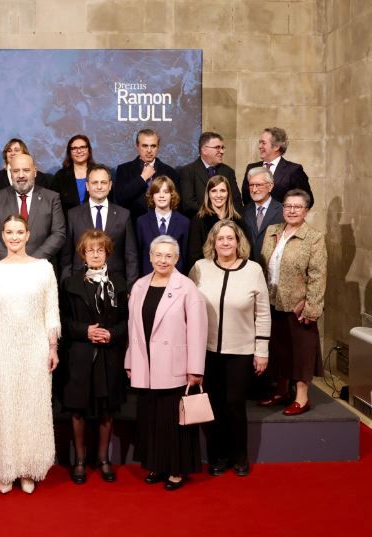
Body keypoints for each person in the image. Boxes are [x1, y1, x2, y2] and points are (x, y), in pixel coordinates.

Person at [0, 215, 60, 494]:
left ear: (28, 235)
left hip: (35, 348)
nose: (14, 237)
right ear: (2, 235)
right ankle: (6, 470)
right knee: (3, 409)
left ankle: (28, 469)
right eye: (9, 232)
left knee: (33, 408)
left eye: (19, 232)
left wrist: (52, 347)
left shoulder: (44, 268)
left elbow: (51, 312)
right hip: (0, 349)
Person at [124, 235, 207, 491]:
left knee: (172, 420)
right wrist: (130, 360)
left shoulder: (187, 287)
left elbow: (198, 330)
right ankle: (156, 465)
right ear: (150, 257)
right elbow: (132, 328)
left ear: (177, 259)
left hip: (175, 365)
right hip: (146, 365)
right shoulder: (138, 286)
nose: (163, 260)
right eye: (158, 255)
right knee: (151, 418)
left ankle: (176, 469)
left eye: (168, 256)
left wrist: (195, 368)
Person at [189, 220, 271, 477]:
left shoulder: (253, 270)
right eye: (220, 238)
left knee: (235, 403)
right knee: (213, 404)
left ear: (238, 242)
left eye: (230, 238)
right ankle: (217, 456)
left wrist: (262, 350)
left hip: (241, 350)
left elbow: (263, 313)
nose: (225, 242)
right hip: (207, 350)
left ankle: (240, 456)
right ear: (213, 242)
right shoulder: (200, 268)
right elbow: (188, 306)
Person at [60, 230, 128, 484]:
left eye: (100, 250)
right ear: (83, 254)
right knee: (78, 409)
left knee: (107, 410)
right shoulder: (70, 283)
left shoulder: (119, 283)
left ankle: (103, 459)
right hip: (79, 354)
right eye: (91, 250)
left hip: (109, 354)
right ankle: (79, 459)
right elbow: (63, 321)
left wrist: (111, 334)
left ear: (107, 253)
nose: (96, 254)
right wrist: (85, 331)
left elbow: (127, 321)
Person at [259, 189, 326, 416]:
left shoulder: (314, 238)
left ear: (306, 211)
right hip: (271, 301)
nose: (292, 210)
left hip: (298, 305)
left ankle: (301, 397)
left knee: (301, 352)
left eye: (297, 207)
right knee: (278, 349)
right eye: (288, 206)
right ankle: (281, 391)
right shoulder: (272, 231)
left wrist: (311, 306)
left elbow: (318, 275)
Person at [61, 164, 138, 288]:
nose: (99, 186)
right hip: (80, 283)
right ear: (87, 186)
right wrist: (66, 285)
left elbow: (131, 256)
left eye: (103, 182)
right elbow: (66, 257)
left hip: (115, 283)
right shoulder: (73, 215)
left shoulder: (124, 215)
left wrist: (131, 287)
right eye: (94, 182)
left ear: (110, 185)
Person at [0, 154, 65, 263]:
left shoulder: (52, 198)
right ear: (10, 173)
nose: (21, 175)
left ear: (35, 172)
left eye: (26, 170)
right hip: (5, 267)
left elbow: (58, 234)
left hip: (40, 267)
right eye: (16, 171)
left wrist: (32, 260)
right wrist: (10, 260)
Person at [113, 129, 179, 221]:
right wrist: (143, 178)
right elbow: (120, 199)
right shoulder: (124, 169)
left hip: (161, 226)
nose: (149, 150)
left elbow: (175, 203)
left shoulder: (169, 172)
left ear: (158, 147)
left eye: (153, 146)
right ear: (137, 146)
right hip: (132, 225)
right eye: (145, 146)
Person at [241, 127, 314, 207]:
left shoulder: (293, 170)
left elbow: (307, 200)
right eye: (259, 142)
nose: (259, 146)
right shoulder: (251, 168)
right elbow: (246, 198)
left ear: (276, 147)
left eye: (263, 143)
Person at [178, 131, 243, 217]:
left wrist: (224, 218)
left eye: (223, 147)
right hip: (200, 223)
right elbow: (188, 204)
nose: (222, 151)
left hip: (225, 223)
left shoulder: (228, 171)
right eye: (217, 147)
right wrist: (214, 214)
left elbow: (237, 202)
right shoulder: (188, 171)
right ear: (204, 150)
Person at [135, 176, 190, 275]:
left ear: (172, 195)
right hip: (148, 278)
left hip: (175, 279)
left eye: (166, 192)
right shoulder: (141, 222)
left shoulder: (184, 222)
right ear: (152, 196)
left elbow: (185, 256)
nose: (161, 196)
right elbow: (138, 255)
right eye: (157, 192)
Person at [187, 175, 245, 267]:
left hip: (235, 273)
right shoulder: (198, 220)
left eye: (222, 191)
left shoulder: (238, 220)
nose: (218, 195)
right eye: (214, 191)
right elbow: (194, 256)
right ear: (208, 194)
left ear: (228, 193)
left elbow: (243, 251)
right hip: (208, 273)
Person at [242, 166, 284, 263]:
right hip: (249, 267)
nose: (254, 189)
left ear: (270, 186)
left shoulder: (283, 211)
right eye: (251, 185)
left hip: (273, 267)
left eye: (258, 185)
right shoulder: (243, 211)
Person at [51, 134, 96, 214]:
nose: (79, 151)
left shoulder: (98, 173)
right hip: (68, 223)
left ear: (88, 150)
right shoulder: (61, 176)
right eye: (74, 148)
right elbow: (54, 205)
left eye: (82, 147)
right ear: (70, 153)